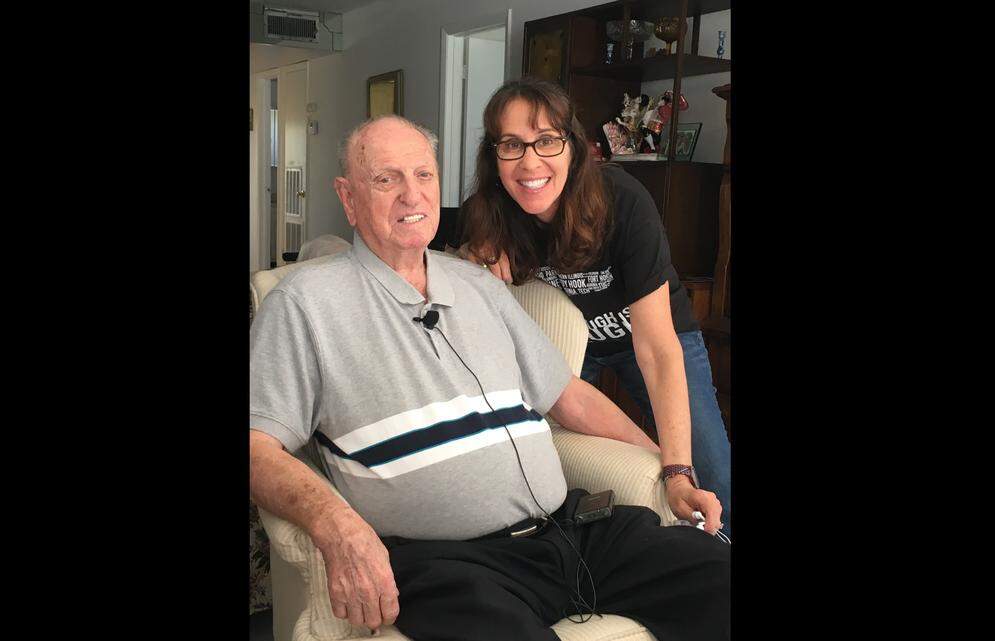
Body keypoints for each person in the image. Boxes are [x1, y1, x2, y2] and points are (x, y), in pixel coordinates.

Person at [249, 115, 729, 641]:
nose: (412, 195)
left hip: (569, 532)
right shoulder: (304, 304)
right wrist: (336, 526)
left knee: (716, 572)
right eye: (386, 179)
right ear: (348, 196)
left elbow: (569, 398)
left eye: (424, 175)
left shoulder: (479, 284)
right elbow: (258, 447)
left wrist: (673, 473)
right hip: (450, 565)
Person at [455, 77, 733, 537]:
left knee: (710, 467)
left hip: (652, 337)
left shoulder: (622, 201)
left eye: (546, 140)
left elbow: (658, 349)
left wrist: (678, 467)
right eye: (511, 145)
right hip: (572, 349)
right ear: (494, 155)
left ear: (574, 147)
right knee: (545, 452)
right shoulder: (488, 214)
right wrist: (472, 252)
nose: (530, 162)